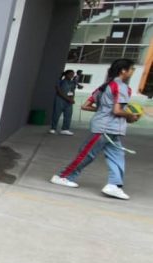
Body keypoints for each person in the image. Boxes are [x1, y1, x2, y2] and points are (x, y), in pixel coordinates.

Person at [50, 58, 142, 200]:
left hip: (111, 128)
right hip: (105, 128)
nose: (132, 71)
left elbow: (86, 105)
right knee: (87, 155)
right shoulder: (122, 87)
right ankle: (63, 176)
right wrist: (131, 116)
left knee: (117, 156)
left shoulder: (104, 86)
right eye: (131, 69)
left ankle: (114, 185)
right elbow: (117, 111)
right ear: (123, 70)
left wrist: (104, 110)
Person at [51, 70, 78, 135]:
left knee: (68, 115)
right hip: (60, 100)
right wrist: (68, 99)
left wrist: (72, 99)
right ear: (66, 74)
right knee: (56, 114)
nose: (72, 76)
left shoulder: (72, 83)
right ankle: (53, 128)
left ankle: (65, 129)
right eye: (70, 74)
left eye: (73, 74)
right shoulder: (60, 81)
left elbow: (72, 91)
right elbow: (59, 92)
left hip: (68, 101)